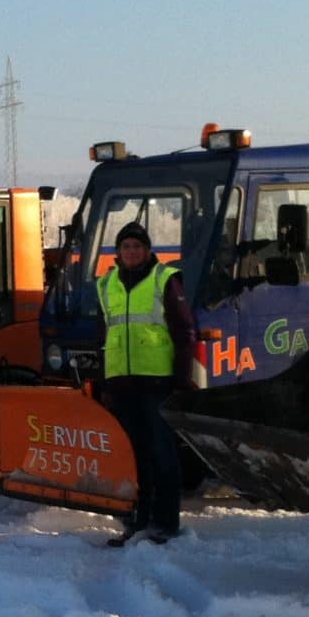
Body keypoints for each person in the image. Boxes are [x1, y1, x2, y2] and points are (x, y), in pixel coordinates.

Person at [98, 221, 197, 545]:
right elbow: (108, 333)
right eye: (126, 246)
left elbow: (184, 332)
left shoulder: (164, 280)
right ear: (118, 252)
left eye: (137, 246)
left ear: (148, 250)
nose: (131, 252)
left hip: (157, 381)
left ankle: (165, 524)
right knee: (131, 455)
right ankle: (136, 521)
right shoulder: (107, 283)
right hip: (122, 384)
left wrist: (182, 379)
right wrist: (105, 382)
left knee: (161, 452)